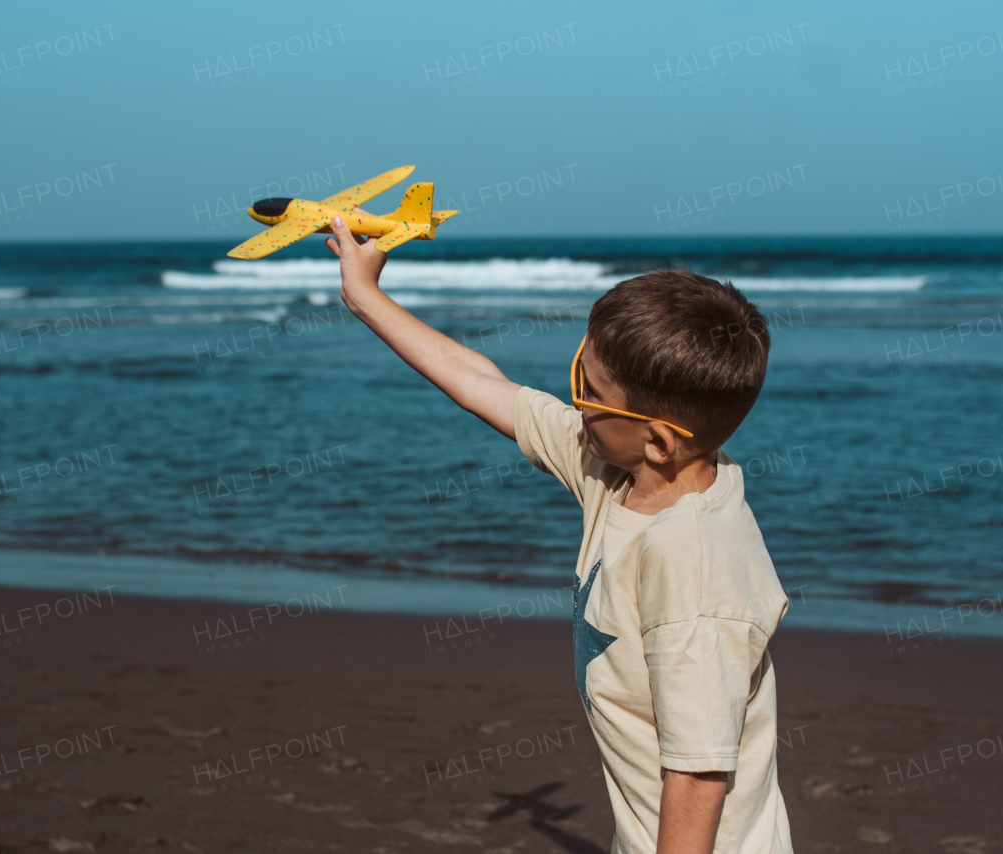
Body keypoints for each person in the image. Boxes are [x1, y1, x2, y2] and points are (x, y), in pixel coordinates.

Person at [325, 217, 792, 854]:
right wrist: (365, 297)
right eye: (580, 371)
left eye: (589, 391)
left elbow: (698, 775)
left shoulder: (695, 569)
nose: (575, 401)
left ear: (657, 440)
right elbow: (483, 384)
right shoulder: (614, 465)